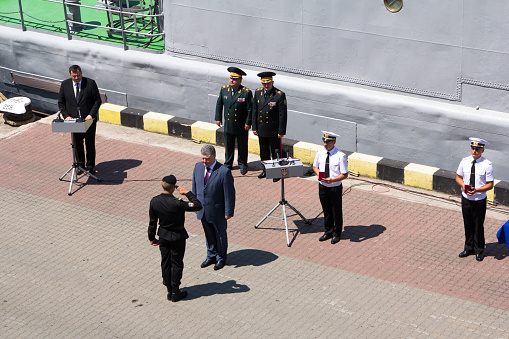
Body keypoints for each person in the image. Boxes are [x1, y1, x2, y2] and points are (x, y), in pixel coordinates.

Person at [148, 175, 202, 302]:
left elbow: (152, 222)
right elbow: (197, 205)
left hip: (163, 236)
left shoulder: (154, 201)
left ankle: (169, 290)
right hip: (177, 237)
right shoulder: (177, 203)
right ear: (173, 187)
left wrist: (151, 237)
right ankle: (176, 291)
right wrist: (187, 193)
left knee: (165, 262)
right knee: (176, 263)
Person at [192, 145, 236, 270]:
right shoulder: (198, 167)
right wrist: (195, 204)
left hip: (218, 211)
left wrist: (229, 212)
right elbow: (195, 187)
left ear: (214, 157)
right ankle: (211, 255)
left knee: (220, 235)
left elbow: (229, 194)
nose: (204, 161)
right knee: (208, 234)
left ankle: (221, 258)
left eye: (207, 159)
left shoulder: (223, 172)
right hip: (202, 210)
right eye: (203, 159)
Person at [58, 65, 102, 174]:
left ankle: (90, 165)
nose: (76, 78)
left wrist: (91, 115)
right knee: (77, 144)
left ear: (81, 73)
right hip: (74, 121)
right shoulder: (65, 85)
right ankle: (80, 165)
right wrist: (66, 116)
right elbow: (61, 103)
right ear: (70, 75)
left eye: (78, 75)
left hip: (88, 120)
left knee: (90, 143)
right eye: (74, 76)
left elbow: (97, 101)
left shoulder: (90, 83)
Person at [456, 137, 494, 262]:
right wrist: (463, 185)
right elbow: (458, 177)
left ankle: (479, 250)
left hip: (479, 199)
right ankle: (468, 248)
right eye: (472, 148)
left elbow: (490, 184)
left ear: (482, 150)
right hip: (466, 198)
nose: (474, 151)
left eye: (477, 149)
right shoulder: (465, 161)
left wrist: (477, 190)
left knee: (478, 225)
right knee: (468, 224)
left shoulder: (487, 165)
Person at [215, 67, 253, 175]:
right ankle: (228, 163)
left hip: (241, 125)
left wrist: (248, 122)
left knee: (242, 146)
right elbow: (219, 104)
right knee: (229, 145)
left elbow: (250, 109)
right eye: (231, 78)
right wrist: (218, 118)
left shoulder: (246, 92)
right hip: (229, 124)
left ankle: (242, 164)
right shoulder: (224, 90)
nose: (232, 80)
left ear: (240, 80)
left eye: (235, 79)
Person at [312, 131, 348, 244]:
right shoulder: (320, 152)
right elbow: (314, 166)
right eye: (324, 141)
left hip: (334, 187)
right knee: (326, 209)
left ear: (334, 142)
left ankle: (337, 233)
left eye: (327, 142)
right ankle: (328, 231)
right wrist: (318, 174)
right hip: (322, 186)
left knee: (336, 210)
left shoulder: (340, 156)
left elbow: (344, 174)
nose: (325, 144)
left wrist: (332, 180)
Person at [252, 71, 287, 181]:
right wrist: (254, 127)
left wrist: (281, 131)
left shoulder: (279, 95)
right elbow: (254, 110)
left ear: (272, 82)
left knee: (276, 151)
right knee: (264, 151)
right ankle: (265, 170)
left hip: (273, 129)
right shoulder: (258, 93)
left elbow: (282, 114)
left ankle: (276, 172)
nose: (266, 86)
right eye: (264, 83)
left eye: (268, 83)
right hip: (262, 128)